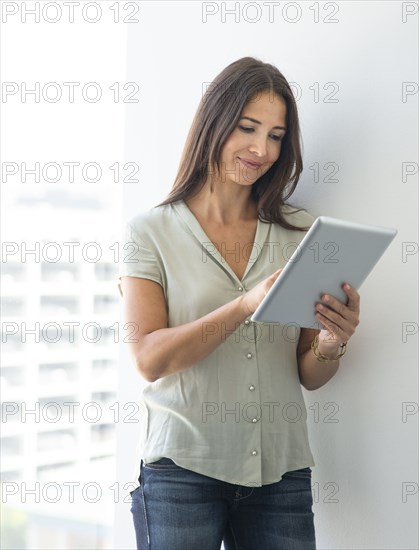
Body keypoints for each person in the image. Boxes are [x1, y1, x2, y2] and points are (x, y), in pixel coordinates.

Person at [118, 56, 360, 550]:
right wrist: (242, 305)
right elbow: (149, 359)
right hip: (183, 473)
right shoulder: (150, 233)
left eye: (276, 135)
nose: (262, 149)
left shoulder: (301, 233)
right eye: (248, 128)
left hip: (281, 474)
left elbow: (308, 375)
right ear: (215, 123)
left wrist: (332, 343)